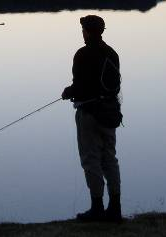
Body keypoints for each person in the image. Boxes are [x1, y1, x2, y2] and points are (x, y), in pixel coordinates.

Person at [62, 15, 122, 222]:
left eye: (83, 29)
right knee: (110, 159)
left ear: (87, 31)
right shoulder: (112, 54)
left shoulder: (82, 55)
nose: (82, 33)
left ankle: (97, 208)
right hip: (110, 113)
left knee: (91, 160)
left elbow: (80, 85)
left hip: (89, 114)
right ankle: (115, 208)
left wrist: (68, 91)